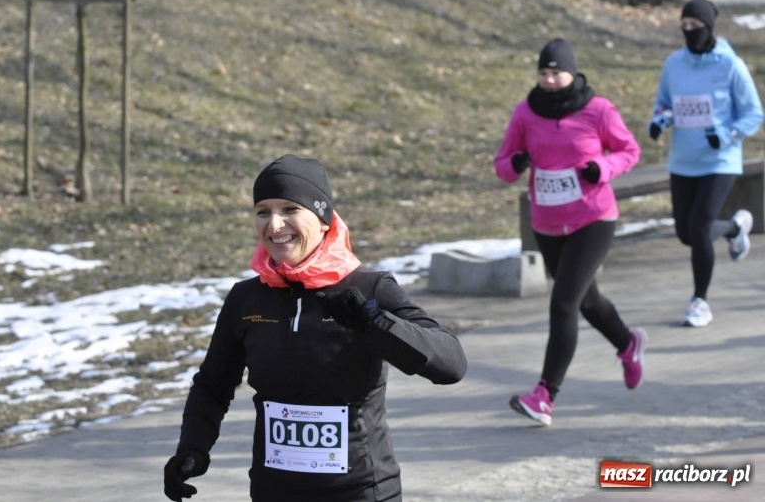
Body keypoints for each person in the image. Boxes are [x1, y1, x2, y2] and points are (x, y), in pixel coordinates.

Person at [163, 154, 468, 502]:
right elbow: (213, 386)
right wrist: (192, 449)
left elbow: (451, 364)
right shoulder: (246, 299)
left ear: (323, 219)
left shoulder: (370, 289)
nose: (274, 225)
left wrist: (376, 324)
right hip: (273, 491)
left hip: (361, 491)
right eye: (263, 211)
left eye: (290, 209)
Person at [494, 38, 645, 427]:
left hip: (593, 217)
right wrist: (516, 163)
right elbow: (502, 166)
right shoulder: (526, 113)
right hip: (547, 223)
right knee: (587, 300)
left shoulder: (598, 110)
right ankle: (628, 344)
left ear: (573, 72)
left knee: (563, 303)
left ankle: (545, 395)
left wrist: (602, 169)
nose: (548, 80)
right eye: (543, 73)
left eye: (555, 72)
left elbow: (629, 151)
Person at [648, 0, 764, 327]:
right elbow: (663, 104)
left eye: (695, 26)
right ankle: (734, 227)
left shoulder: (730, 65)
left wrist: (727, 134)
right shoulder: (673, 64)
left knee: (699, 227)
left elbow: (754, 112)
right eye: (683, 27)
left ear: (709, 28)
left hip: (720, 160)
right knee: (686, 233)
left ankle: (700, 301)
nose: (689, 32)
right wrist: (658, 122)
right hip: (683, 160)